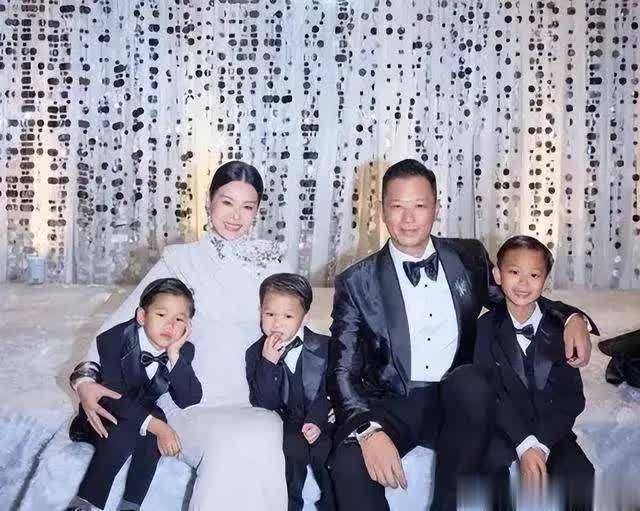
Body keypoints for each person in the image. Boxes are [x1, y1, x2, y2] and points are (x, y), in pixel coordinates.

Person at [327, 159, 594, 511]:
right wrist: (368, 430)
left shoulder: (468, 257)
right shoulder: (356, 281)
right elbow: (342, 369)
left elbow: (518, 295)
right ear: (382, 210)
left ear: (437, 208)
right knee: (348, 463)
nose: (408, 219)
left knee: (472, 386)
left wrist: (571, 316)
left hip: (462, 397)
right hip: (393, 401)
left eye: (419, 206)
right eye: (397, 206)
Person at [70, 161, 289, 510]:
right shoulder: (181, 260)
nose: (236, 216)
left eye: (247, 207)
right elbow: (120, 324)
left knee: (264, 437)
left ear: (258, 210)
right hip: (190, 401)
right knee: (228, 445)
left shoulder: (274, 264)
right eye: (226, 202)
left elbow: (298, 333)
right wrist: (84, 380)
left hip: (254, 400)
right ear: (209, 202)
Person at [474, 235, 596, 510]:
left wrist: (540, 444)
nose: (523, 284)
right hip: (503, 428)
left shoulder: (562, 330)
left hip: (550, 432)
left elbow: (572, 398)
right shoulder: (484, 328)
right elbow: (490, 394)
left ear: (546, 280)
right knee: (486, 472)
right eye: (514, 272)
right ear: (497, 275)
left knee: (579, 473)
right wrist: (523, 444)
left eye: (534, 275)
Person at [67, 278, 202, 511]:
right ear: (141, 316)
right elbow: (113, 396)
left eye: (179, 319)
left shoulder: (183, 351)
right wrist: (158, 427)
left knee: (154, 426)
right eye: (161, 315)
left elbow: (189, 398)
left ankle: (131, 505)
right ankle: (85, 502)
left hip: (141, 410)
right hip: (104, 412)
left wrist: (174, 355)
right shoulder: (114, 339)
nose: (170, 325)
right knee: (136, 427)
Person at [246, 273, 335, 511]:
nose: (277, 323)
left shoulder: (326, 346)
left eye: (287, 316)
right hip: (287, 424)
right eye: (269, 314)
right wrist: (268, 363)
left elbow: (332, 390)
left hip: (322, 420)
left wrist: (317, 421)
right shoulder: (255, 353)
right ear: (260, 312)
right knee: (289, 457)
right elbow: (263, 403)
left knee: (329, 457)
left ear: (305, 318)